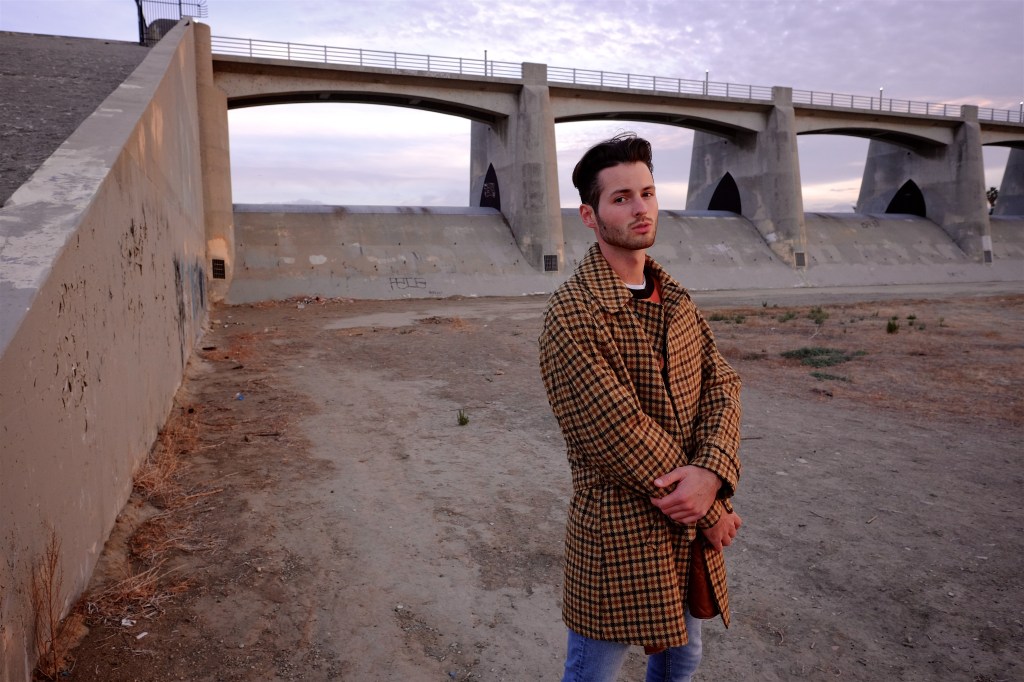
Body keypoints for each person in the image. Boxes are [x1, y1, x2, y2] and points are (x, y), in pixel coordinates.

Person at [538, 132, 743, 682]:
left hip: (682, 528)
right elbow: (619, 432)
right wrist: (712, 507)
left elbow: (722, 385)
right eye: (621, 197)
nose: (640, 208)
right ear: (590, 214)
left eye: (647, 193)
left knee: (682, 661)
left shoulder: (675, 299)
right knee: (593, 674)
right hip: (619, 533)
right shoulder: (573, 313)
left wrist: (712, 472)